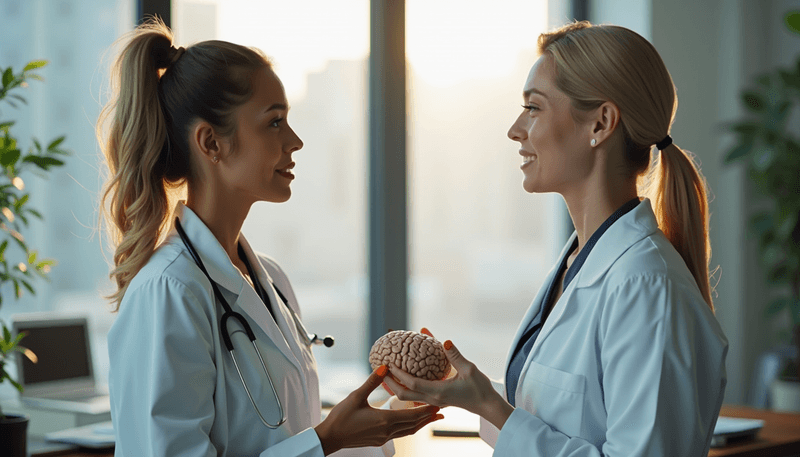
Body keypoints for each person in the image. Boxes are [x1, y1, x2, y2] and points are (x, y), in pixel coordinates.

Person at [97, 18, 442, 457]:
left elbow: (291, 439)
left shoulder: (271, 280)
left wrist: (381, 415)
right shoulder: (169, 291)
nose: (295, 141)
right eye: (274, 122)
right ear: (211, 143)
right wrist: (329, 438)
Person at [384, 21, 729, 456]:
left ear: (601, 123)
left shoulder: (644, 285)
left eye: (533, 107)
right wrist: (468, 393)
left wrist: (492, 406)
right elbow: (563, 416)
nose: (515, 129)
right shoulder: (578, 262)